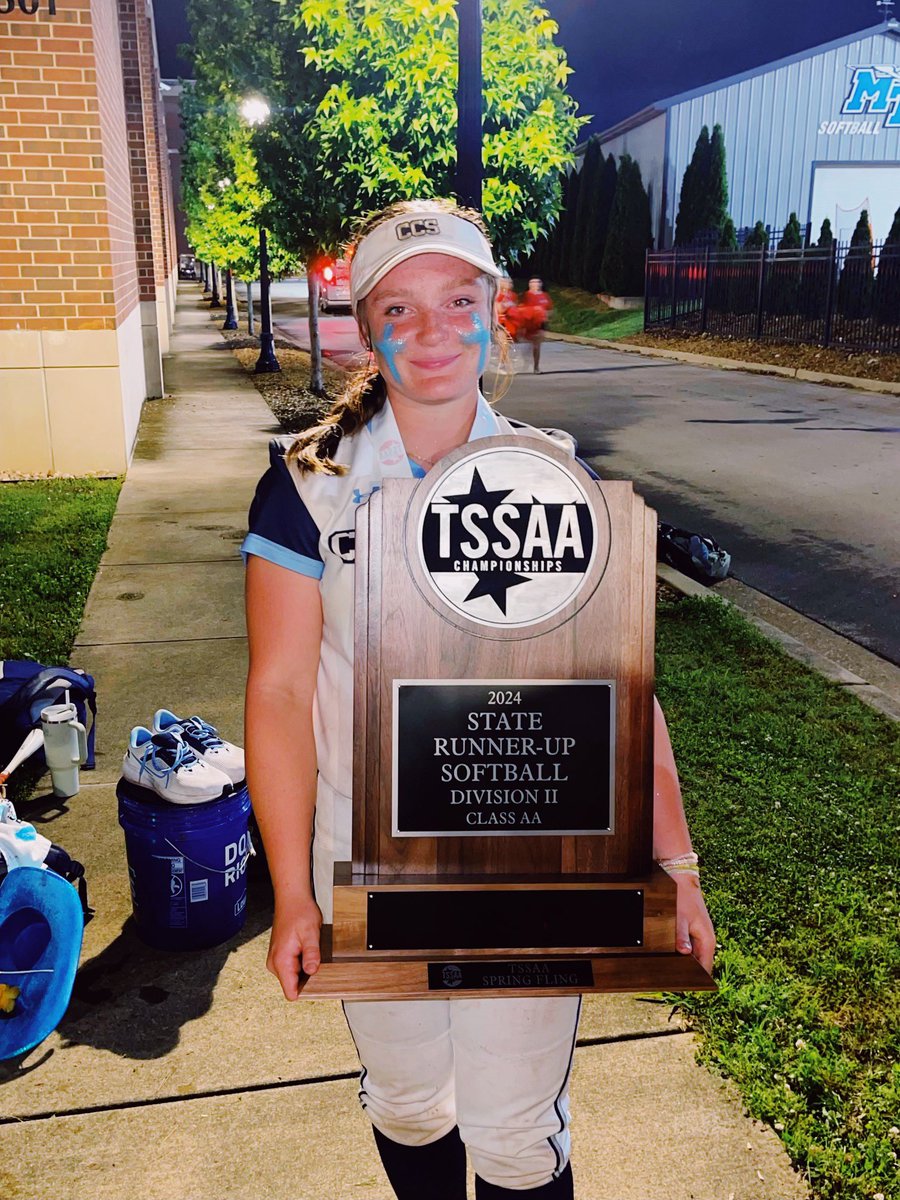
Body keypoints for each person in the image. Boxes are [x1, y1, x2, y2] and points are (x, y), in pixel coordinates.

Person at [242, 198, 715, 1199]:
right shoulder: (307, 483)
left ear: (494, 311)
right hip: (361, 860)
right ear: (365, 325)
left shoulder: (555, 477)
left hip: (527, 865)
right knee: (408, 1099)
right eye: (399, 308)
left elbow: (620, 687)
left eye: (458, 300)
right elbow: (279, 691)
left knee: (512, 1134)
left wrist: (675, 864)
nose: (431, 331)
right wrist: (291, 893)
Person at [517, 276, 553, 373]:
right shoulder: (525, 296)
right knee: (528, 344)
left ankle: (536, 367)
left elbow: (550, 309)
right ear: (529, 284)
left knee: (537, 345)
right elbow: (519, 309)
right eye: (533, 282)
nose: (536, 284)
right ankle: (525, 359)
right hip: (528, 323)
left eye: (538, 282)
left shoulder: (545, 296)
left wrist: (546, 315)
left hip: (540, 323)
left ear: (541, 284)